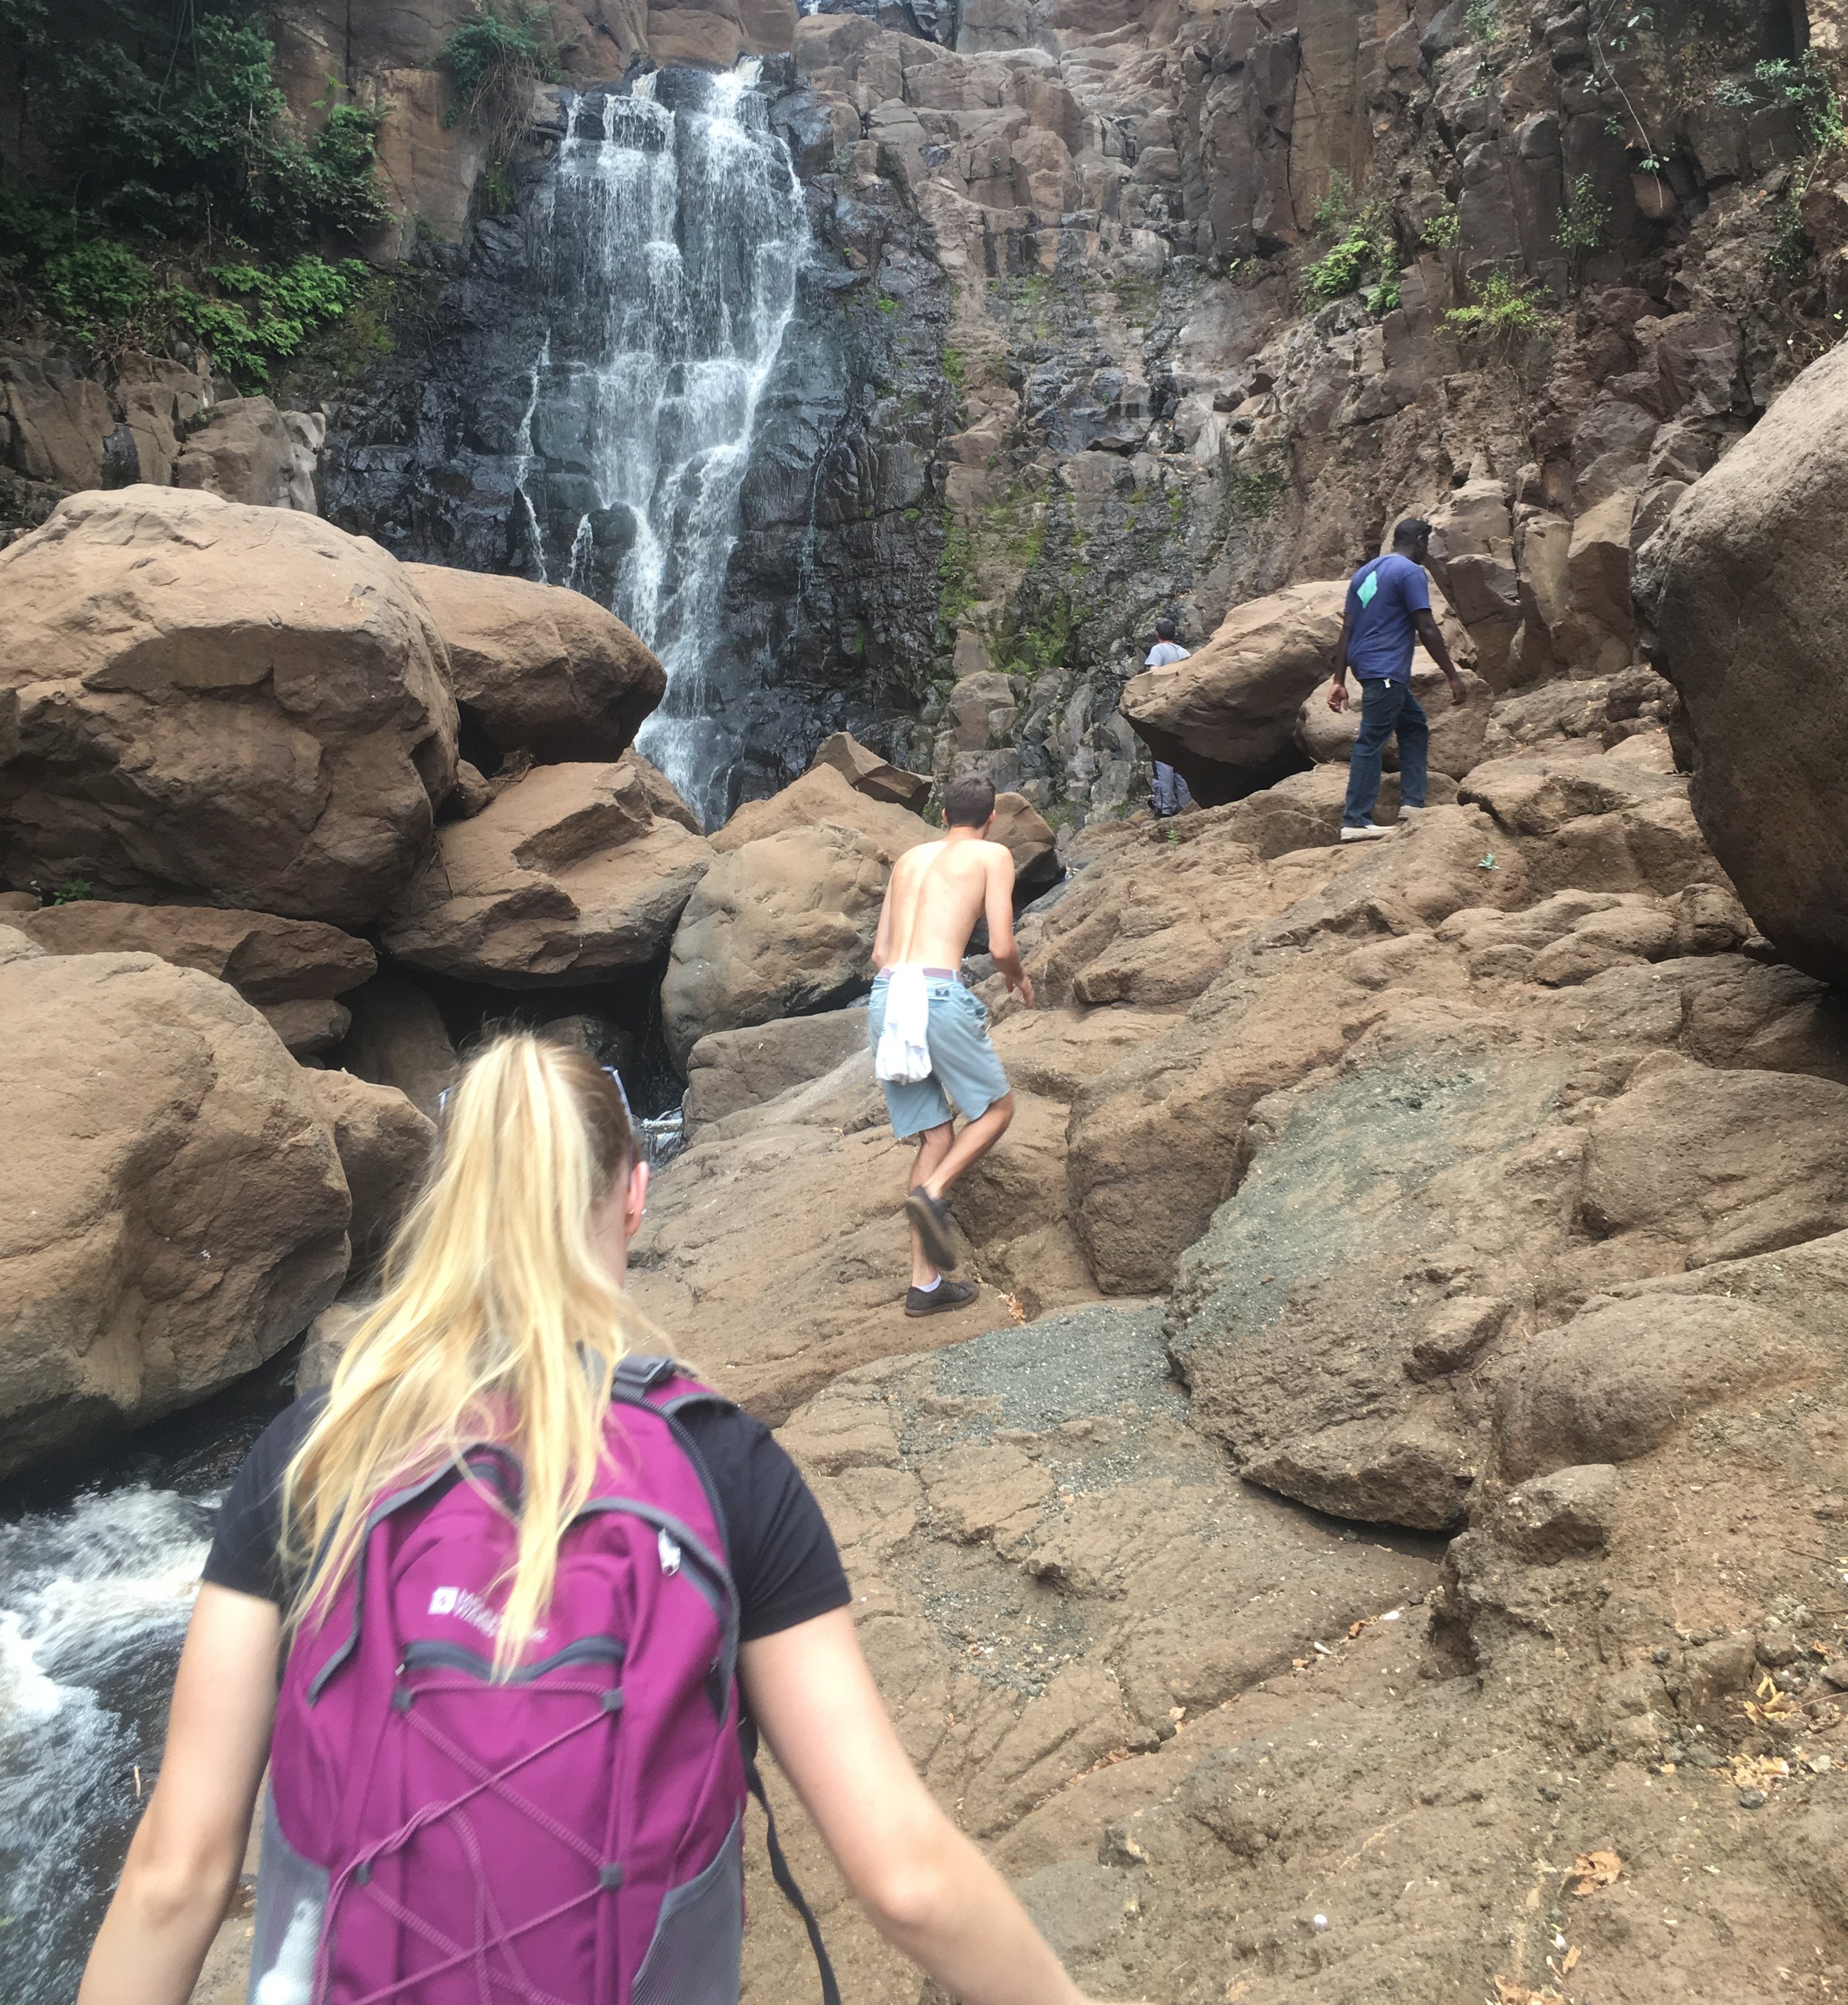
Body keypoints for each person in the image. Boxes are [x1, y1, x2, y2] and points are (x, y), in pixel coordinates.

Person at [75, 1032, 1126, 2005]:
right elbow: (906, 1880)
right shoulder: (725, 1465)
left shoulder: (314, 1452)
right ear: (636, 1193)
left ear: (453, 1203)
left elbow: (178, 1874)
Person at [869, 772, 1034, 1318]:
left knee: (935, 1134)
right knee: (997, 1108)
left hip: (887, 995)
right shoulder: (992, 855)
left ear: (941, 816)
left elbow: (879, 956)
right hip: (936, 993)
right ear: (991, 819)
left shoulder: (908, 860)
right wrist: (1017, 975)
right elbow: (1003, 942)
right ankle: (934, 1191)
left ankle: (925, 1284)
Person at [1327, 514, 1468, 842]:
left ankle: (1412, 804)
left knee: (1414, 725)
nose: (1426, 550)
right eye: (1426, 544)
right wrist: (1452, 675)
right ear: (1420, 541)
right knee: (1370, 742)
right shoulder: (1410, 572)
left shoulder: (1364, 574)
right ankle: (1356, 820)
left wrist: (1339, 679)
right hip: (1386, 668)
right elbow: (1427, 627)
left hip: (1370, 668)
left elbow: (1347, 629)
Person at [1142, 614, 1192, 818]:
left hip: (1162, 709)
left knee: (1163, 761)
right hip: (1181, 710)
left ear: (1157, 634)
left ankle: (1164, 807)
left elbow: (1154, 674)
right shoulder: (1184, 652)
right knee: (1181, 761)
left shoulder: (1158, 650)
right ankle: (1186, 806)